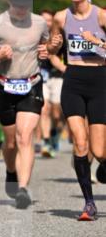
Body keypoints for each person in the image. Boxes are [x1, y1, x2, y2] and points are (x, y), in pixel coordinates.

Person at [0, 0, 49, 209]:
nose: (22, 9)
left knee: (25, 137)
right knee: (10, 142)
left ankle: (22, 188)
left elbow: (47, 46)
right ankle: (11, 171)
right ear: (8, 1)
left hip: (31, 85)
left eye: (26, 5)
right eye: (18, 4)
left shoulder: (39, 23)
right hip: (4, 86)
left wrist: (47, 51)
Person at [47, 0, 106, 221]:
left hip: (99, 81)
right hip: (73, 81)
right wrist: (56, 56)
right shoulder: (61, 17)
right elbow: (51, 48)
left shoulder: (102, 16)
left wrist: (99, 43)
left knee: (100, 151)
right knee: (80, 143)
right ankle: (89, 203)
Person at [40, 8, 66, 156]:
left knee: (56, 113)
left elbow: (54, 56)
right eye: (43, 20)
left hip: (58, 77)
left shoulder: (60, 37)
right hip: (42, 76)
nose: (46, 23)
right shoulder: (35, 35)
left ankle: (54, 133)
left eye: (49, 20)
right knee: (44, 109)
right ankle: (45, 141)